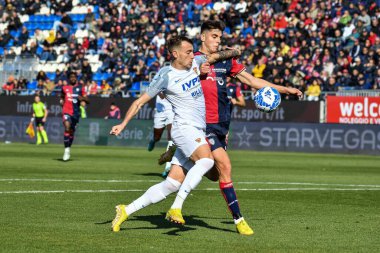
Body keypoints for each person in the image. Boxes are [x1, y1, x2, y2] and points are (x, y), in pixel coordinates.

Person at [160, 20, 303, 235]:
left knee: (214, 174)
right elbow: (171, 82)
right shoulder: (193, 60)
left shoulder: (226, 62)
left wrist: (285, 89)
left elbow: (253, 81)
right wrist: (196, 73)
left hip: (221, 126)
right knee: (225, 166)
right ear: (203, 37)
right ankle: (239, 220)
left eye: (220, 37)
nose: (218, 40)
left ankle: (180, 152)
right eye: (214, 36)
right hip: (201, 124)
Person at [109, 36, 241, 233]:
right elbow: (139, 102)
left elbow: (214, 56)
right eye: (188, 52)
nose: (192, 56)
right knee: (206, 161)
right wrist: (123, 123)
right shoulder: (165, 76)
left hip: (197, 129)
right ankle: (176, 208)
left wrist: (234, 52)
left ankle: (126, 210)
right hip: (183, 128)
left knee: (171, 183)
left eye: (192, 52)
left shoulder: (195, 62)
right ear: (175, 54)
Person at [60, 72, 89, 161]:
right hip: (66, 111)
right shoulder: (64, 88)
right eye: (71, 77)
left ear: (76, 78)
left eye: (74, 77)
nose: (73, 78)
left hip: (76, 113)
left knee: (71, 132)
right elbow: (62, 97)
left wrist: (83, 99)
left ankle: (69, 148)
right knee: (67, 127)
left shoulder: (81, 87)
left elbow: (88, 100)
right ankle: (66, 150)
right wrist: (61, 101)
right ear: (69, 78)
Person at [147, 93, 174, 177]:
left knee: (171, 138)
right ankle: (153, 140)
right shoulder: (158, 79)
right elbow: (157, 93)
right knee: (157, 137)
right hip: (159, 111)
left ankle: (167, 168)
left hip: (171, 110)